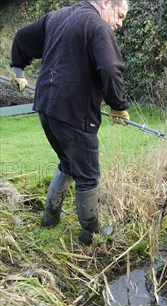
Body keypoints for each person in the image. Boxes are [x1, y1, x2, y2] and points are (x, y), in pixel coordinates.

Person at [10, 0, 130, 245]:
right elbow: (109, 68)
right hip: (75, 114)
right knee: (88, 175)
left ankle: (50, 218)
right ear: (106, 3)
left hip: (46, 107)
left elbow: (23, 37)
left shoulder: (57, 16)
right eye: (119, 16)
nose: (119, 24)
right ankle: (91, 232)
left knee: (67, 162)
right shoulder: (97, 26)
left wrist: (18, 69)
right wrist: (118, 106)